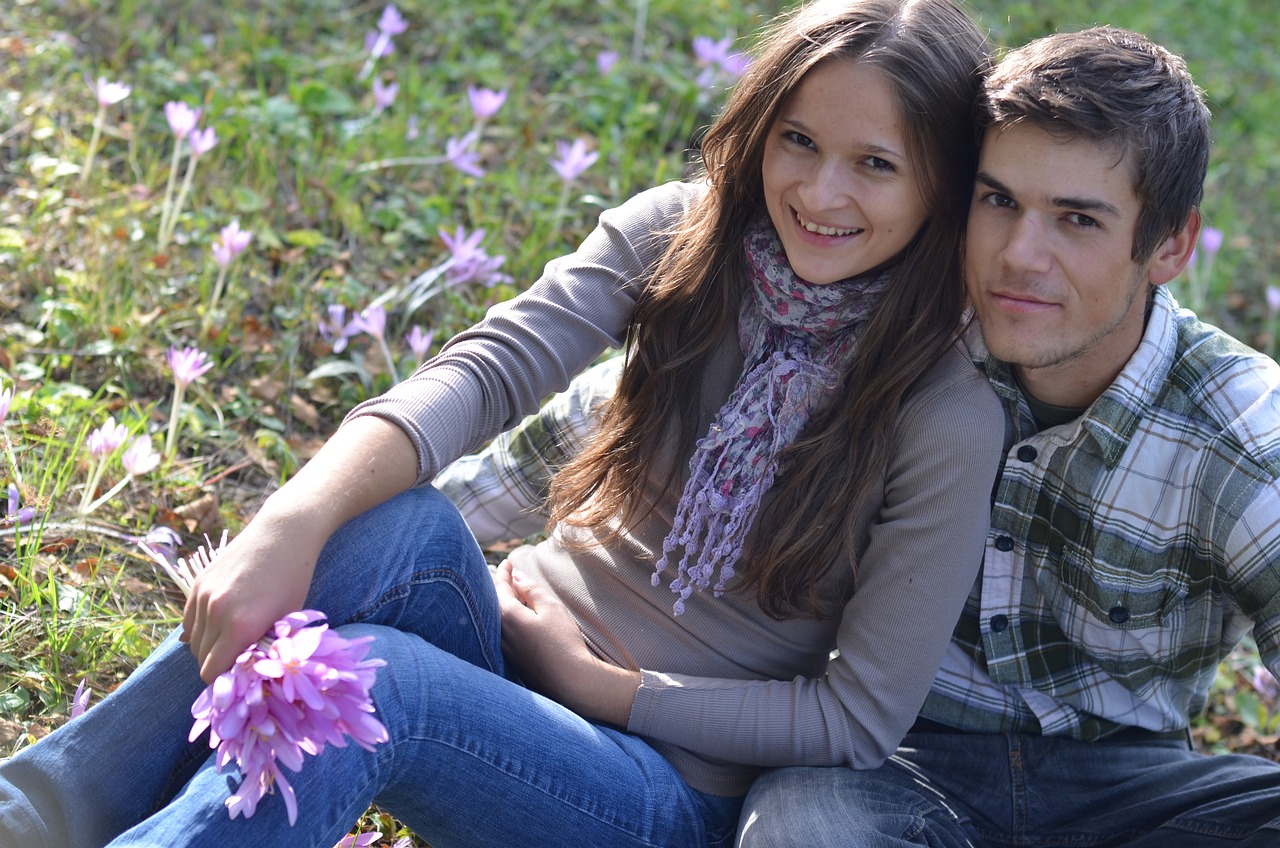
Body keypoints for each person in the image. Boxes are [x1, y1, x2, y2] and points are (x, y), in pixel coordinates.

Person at [0, 0, 1004, 845]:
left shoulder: (940, 409)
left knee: (376, 688)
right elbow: (486, 371)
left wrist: (607, 685)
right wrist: (291, 521)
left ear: (941, 187)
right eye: (798, 140)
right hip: (511, 652)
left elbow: (857, 713)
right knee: (390, 525)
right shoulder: (684, 237)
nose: (818, 191)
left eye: (874, 164)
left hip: (656, 784)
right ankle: (42, 806)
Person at [735, 25, 1280, 848]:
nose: (1020, 255)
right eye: (999, 201)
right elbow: (630, 417)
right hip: (891, 756)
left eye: (1077, 220)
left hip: (1133, 790)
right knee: (802, 828)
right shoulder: (900, 330)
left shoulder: (1241, 438)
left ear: (1170, 243)